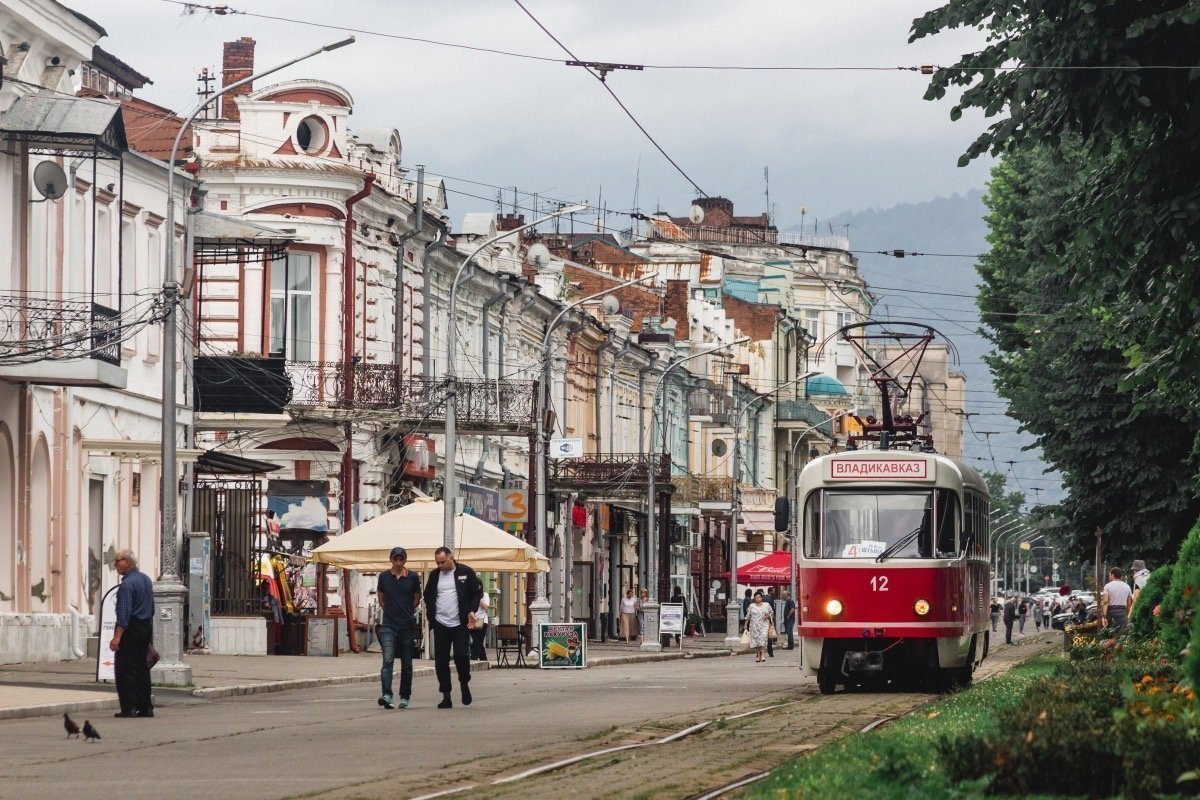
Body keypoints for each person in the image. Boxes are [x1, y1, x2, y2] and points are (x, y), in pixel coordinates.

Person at [422, 546, 482, 709]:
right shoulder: (435, 575)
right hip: (440, 622)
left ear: (451, 557)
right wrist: (431, 615)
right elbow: (427, 595)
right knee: (441, 660)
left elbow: (476, 593)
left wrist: (471, 610)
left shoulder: (465, 572)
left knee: (461, 655)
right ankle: (446, 695)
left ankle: (464, 683)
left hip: (460, 623)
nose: (440, 565)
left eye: (443, 562)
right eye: (437, 563)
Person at [110, 549, 154, 718]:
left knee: (126, 669)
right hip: (145, 627)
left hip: (130, 629)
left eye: (117, 561)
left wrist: (117, 637)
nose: (115, 564)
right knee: (142, 668)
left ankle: (128, 708)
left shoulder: (127, 585)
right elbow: (152, 608)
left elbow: (124, 614)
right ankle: (146, 707)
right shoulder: (145, 580)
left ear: (127, 562)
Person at [376, 546, 421, 709]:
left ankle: (405, 696)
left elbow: (417, 598)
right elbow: (381, 598)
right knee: (387, 660)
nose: (398, 562)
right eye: (395, 559)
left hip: (407, 626)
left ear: (405, 560)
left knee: (407, 663)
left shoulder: (413, 577)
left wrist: (407, 610)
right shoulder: (384, 577)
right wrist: (388, 609)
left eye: (401, 559)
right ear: (391, 560)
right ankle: (387, 694)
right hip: (388, 625)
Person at [743, 591, 774, 663]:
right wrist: (745, 625)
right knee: (756, 641)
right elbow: (748, 616)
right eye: (756, 597)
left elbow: (771, 612)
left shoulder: (766, 605)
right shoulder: (752, 606)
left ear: (761, 598)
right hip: (754, 626)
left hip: (764, 625)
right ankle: (757, 654)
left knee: (762, 639)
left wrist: (768, 616)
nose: (757, 599)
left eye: (759, 597)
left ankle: (763, 654)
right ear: (754, 598)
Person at [1100, 566, 1133, 634]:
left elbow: (1105, 602)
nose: (1109, 576)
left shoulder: (1107, 586)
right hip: (1122, 612)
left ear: (1113, 575)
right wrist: (1126, 614)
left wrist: (1104, 616)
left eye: (1109, 575)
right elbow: (1129, 603)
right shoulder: (1127, 587)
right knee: (1122, 635)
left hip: (1111, 612)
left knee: (1110, 634)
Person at [471, 589, 490, 662]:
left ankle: (473, 658)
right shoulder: (470, 594)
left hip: (482, 621)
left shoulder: (485, 595)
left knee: (477, 641)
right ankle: (484, 660)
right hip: (472, 620)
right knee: (478, 641)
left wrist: (478, 597)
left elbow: (485, 607)